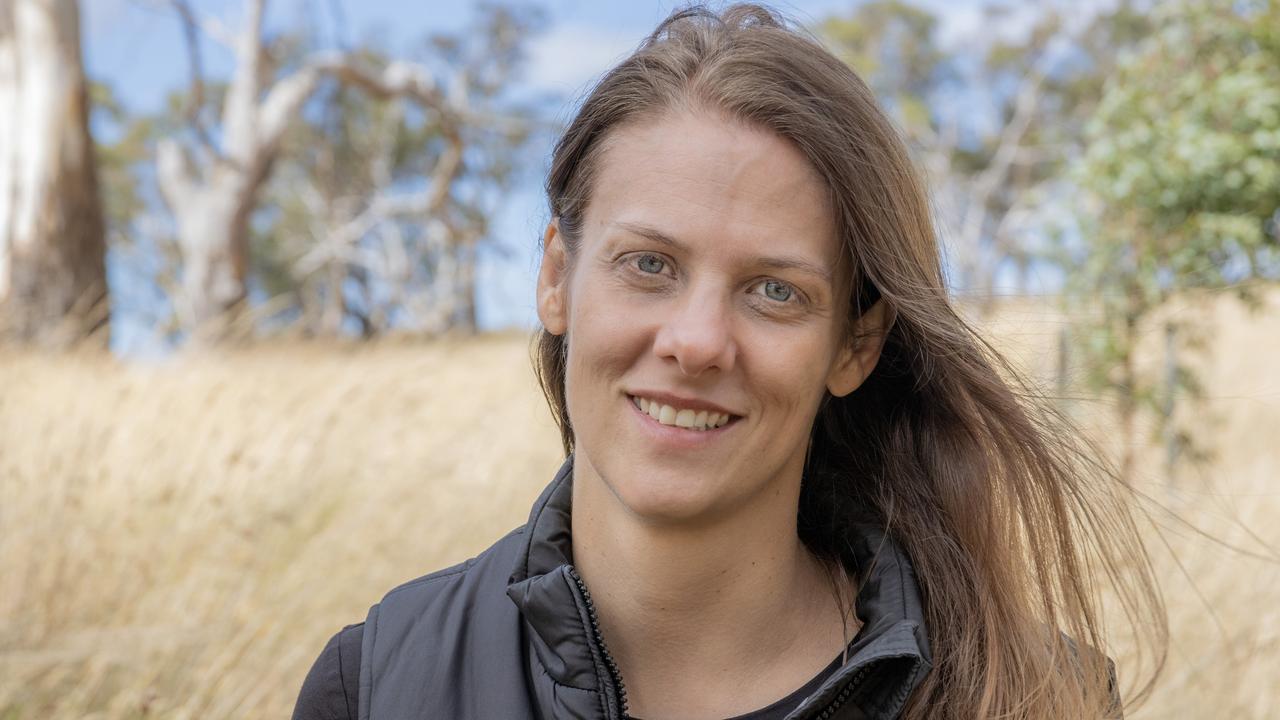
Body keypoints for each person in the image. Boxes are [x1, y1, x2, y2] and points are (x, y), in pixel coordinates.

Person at [292, 5, 1165, 719]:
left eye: (774, 291)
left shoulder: (1036, 696)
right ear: (556, 278)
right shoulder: (377, 686)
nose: (698, 340)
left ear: (855, 345)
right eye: (649, 266)